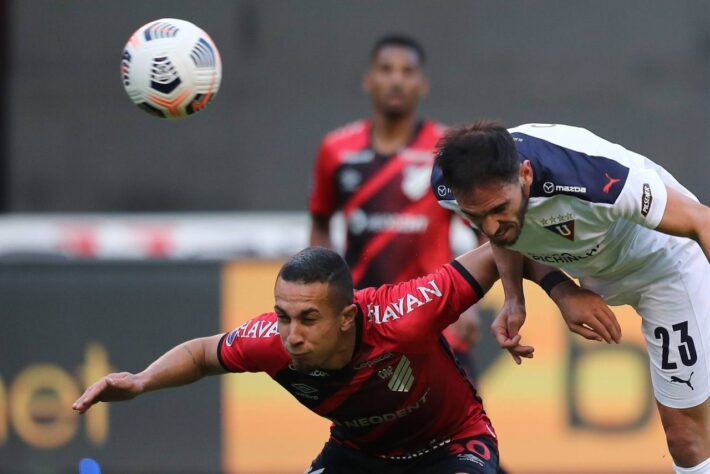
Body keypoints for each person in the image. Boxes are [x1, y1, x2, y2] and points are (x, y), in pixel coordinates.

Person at [72, 245, 613, 473]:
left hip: (452, 444)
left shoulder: (406, 313)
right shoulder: (268, 341)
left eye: (308, 320)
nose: (291, 335)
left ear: (349, 317)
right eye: (283, 316)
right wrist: (141, 381)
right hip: (358, 457)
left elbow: (506, 240)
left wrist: (559, 294)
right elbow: (199, 354)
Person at [432, 120, 710, 473]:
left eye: (499, 209)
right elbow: (507, 234)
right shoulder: (451, 186)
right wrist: (532, 294)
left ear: (526, 174)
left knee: (686, 439)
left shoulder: (592, 176)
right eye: (476, 217)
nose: (489, 228)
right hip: (590, 264)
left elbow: (701, 220)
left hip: (663, 267)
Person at [308, 33, 482, 385]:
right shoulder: (337, 149)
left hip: (436, 318)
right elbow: (321, 222)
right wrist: (321, 292)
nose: (397, 79)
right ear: (368, 80)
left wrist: (472, 302)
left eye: (407, 71)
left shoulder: (447, 150)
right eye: (386, 70)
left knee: (461, 431)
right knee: (370, 431)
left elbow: (484, 226)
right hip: (362, 322)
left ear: (422, 84)